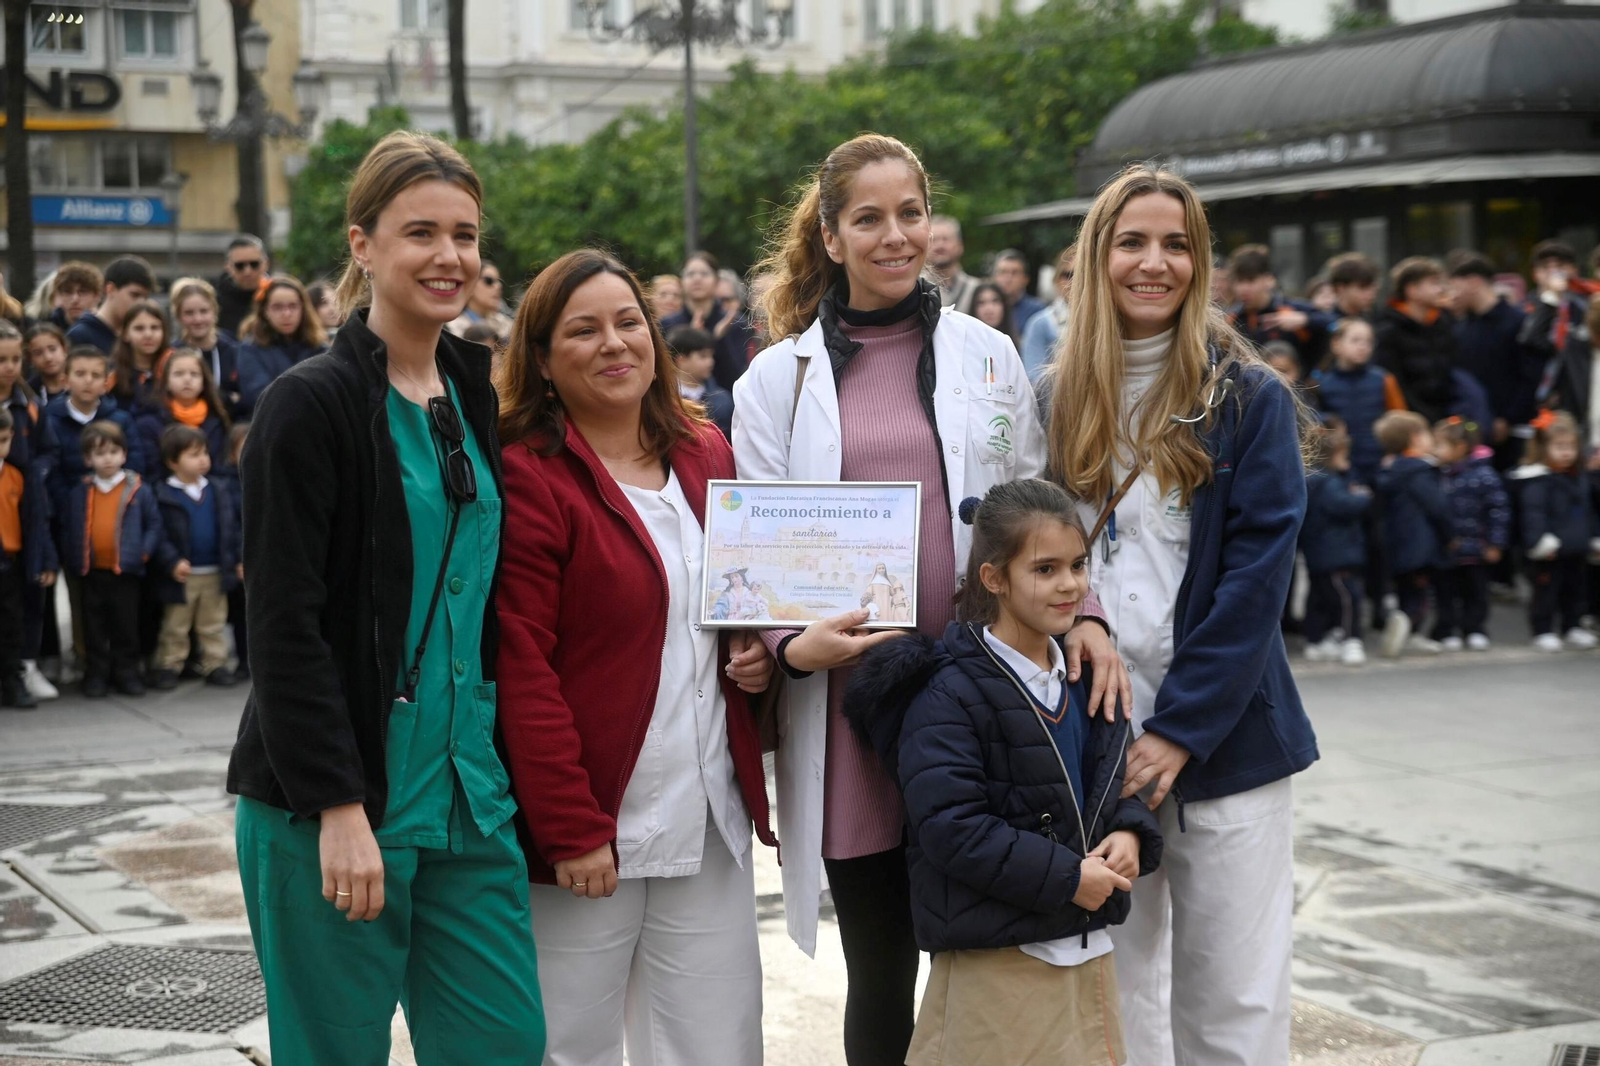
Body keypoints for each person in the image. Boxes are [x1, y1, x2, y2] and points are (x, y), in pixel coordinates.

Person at [734, 133, 1128, 1066]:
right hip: (852, 708)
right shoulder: (775, 383)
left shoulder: (988, 358)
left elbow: (1038, 513)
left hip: (981, 701)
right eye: (868, 218)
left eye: (909, 212)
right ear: (830, 236)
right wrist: (790, 648)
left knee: (990, 950)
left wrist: (1092, 612)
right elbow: (751, 548)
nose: (894, 234)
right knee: (879, 970)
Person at [227, 130, 545, 1064]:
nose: (449, 256)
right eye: (420, 233)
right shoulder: (308, 403)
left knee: (504, 1045)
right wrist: (335, 806)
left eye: (465, 234)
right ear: (363, 246)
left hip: (467, 799)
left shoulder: (472, 390)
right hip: (334, 804)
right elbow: (282, 629)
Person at [1046, 163, 1317, 1066]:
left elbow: (1254, 586)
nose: (1153, 262)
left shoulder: (1248, 400)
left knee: (1234, 999)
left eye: (1176, 244)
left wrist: (1180, 733)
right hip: (1089, 743)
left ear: (1200, 264)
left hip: (1227, 745)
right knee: (1116, 995)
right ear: (1098, 255)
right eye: (1132, 242)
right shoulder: (1052, 399)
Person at [493, 248, 776, 1064]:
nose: (615, 344)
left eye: (628, 323)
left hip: (706, 813)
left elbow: (733, 598)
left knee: (715, 1044)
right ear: (541, 361)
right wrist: (569, 827)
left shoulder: (702, 448)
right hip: (594, 824)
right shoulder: (528, 476)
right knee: (568, 1046)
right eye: (583, 330)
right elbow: (523, 669)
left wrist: (752, 652)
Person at [844, 479, 1163, 1066]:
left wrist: (1129, 832)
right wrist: (1070, 876)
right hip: (995, 960)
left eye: (1077, 565)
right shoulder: (948, 692)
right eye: (1045, 569)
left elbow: (1113, 783)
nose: (1069, 584)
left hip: (1084, 951)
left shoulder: (1086, 679)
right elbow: (952, 828)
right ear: (993, 579)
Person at [59, 421, 162, 698]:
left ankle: (127, 673)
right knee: (94, 628)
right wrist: (74, 557)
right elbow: (70, 527)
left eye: (114, 451)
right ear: (87, 459)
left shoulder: (137, 489)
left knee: (125, 627)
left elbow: (154, 524)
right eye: (100, 453)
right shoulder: (81, 491)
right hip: (93, 572)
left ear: (124, 454)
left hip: (125, 573)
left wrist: (142, 553)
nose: (107, 459)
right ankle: (96, 675)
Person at [149, 424, 239, 689]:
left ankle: (215, 664)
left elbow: (230, 527)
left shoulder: (217, 489)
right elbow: (159, 533)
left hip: (214, 570)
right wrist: (171, 560)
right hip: (183, 573)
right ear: (172, 462)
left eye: (205, 453)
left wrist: (235, 559)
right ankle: (170, 664)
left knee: (212, 623)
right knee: (176, 624)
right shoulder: (163, 493)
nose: (203, 460)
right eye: (194, 454)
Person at [1515, 411, 1597, 651]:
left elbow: (1587, 511)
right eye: (1559, 446)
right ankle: (1542, 629)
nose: (1566, 453)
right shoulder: (1538, 480)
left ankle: (1573, 626)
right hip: (1551, 549)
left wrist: (1593, 537)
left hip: (1577, 545)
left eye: (1571, 447)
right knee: (1547, 592)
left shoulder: (1579, 478)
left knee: (1576, 590)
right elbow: (1533, 514)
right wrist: (1538, 542)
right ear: (1542, 447)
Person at [1374, 411, 1452, 658]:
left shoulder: (1391, 470)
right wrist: (1450, 535)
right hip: (1422, 545)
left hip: (1398, 544)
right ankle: (1408, 629)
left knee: (1406, 590)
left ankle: (1403, 625)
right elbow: (1438, 507)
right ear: (1415, 438)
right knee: (1422, 595)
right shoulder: (1419, 471)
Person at [1431, 417, 1509, 651]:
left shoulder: (1485, 476)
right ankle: (1447, 630)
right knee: (1445, 594)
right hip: (1445, 549)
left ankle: (1474, 629)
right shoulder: (1436, 475)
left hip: (1477, 549)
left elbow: (1499, 511)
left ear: (1460, 447)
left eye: (1440, 445)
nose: (1435, 451)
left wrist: (1496, 543)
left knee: (1476, 593)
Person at [1300, 416, 1371, 666]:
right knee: (1348, 598)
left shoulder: (1308, 481)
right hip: (1337, 554)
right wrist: (1362, 496)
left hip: (1318, 554)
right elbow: (1344, 506)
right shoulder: (1329, 483)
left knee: (1319, 599)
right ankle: (1352, 640)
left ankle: (1317, 640)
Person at [0, 407, 55, 709]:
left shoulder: (17, 477)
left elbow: (36, 523)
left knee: (12, 625)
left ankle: (12, 680)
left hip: (11, 564)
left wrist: (45, 560)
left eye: (4, 440)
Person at [1520, 241, 1594, 444]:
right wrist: (1550, 300)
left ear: (1574, 270)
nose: (1553, 273)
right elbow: (1532, 342)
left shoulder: (1587, 306)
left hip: (1581, 398)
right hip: (1539, 402)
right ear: (1535, 274)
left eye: (1560, 266)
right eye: (1545, 268)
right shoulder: (1525, 308)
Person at [1375, 257, 1460, 423]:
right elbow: (1394, 385)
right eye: (1433, 283)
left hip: (1448, 420)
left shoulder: (1444, 324)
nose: (1441, 289)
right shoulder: (1389, 331)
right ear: (1412, 290)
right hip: (1411, 423)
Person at [1226, 244, 1332, 376]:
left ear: (1269, 279)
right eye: (1239, 281)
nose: (1243, 288)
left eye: (1250, 280)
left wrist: (1306, 320)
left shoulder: (1293, 309)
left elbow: (1336, 323)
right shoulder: (1231, 319)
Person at [659, 251, 754, 393]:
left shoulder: (737, 323)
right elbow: (663, 375)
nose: (697, 279)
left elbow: (738, 378)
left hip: (726, 407)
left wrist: (719, 338)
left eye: (704, 274)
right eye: (690, 274)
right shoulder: (667, 324)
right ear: (682, 282)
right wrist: (687, 342)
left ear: (716, 281)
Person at [133, 349, 232, 483]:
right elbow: (151, 471)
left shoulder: (216, 421)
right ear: (166, 382)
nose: (187, 379)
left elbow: (221, 469)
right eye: (178, 374)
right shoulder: (149, 423)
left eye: (194, 374)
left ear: (204, 383)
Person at [235, 276, 330, 416]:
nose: (286, 314)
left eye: (293, 306)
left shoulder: (320, 348)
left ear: (303, 309)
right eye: (277, 307)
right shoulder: (250, 349)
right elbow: (259, 395)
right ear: (265, 311)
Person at [170, 278, 244, 417]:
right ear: (179, 317)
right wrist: (228, 397)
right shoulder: (172, 354)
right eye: (189, 313)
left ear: (215, 312)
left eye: (204, 311)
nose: (197, 319)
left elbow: (244, 397)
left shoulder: (234, 351)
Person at [67, 257, 155, 355]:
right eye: (135, 295)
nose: (141, 303)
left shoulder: (136, 337)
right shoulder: (80, 336)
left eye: (145, 297)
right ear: (111, 289)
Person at [666, 324, 733, 439]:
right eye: (703, 356)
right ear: (681, 360)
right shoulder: (664, 398)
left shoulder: (722, 399)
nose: (710, 362)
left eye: (711, 356)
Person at [1021, 244, 1074, 386]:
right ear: (1056, 279)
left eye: (1082, 273)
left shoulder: (1110, 317)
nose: (1074, 281)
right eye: (1068, 275)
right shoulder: (1040, 323)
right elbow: (1035, 378)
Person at [109, 301, 172, 410]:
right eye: (139, 328)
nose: (148, 334)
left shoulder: (175, 370)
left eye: (155, 327)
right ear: (125, 334)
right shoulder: (112, 375)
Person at [226, 421, 249, 681]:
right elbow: (230, 528)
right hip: (241, 564)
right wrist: (240, 560)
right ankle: (244, 660)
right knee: (241, 617)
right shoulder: (227, 487)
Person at [446, 258, 513, 343]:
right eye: (489, 281)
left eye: (499, 281)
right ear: (471, 283)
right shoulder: (451, 328)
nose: (498, 286)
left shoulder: (507, 326)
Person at [215, 235, 269, 337]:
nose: (247, 271)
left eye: (254, 264)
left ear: (266, 264)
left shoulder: (277, 297)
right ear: (228, 267)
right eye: (239, 266)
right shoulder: (215, 303)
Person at [929, 215, 979, 314]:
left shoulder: (976, 289)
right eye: (934, 240)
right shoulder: (914, 289)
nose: (940, 245)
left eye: (945, 239)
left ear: (960, 245)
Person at [992, 248, 1046, 338]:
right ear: (994, 277)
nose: (1008, 278)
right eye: (1003, 272)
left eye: (1015, 273)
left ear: (1026, 279)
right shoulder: (982, 307)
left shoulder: (1037, 311)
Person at [44, 262, 103, 333]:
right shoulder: (46, 331)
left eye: (83, 292)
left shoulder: (107, 330)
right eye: (68, 292)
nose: (75, 299)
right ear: (59, 295)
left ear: (97, 297)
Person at [1326, 252, 1380, 322]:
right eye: (1362, 287)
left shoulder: (1375, 321)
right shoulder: (1324, 324)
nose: (1371, 293)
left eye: (1373, 287)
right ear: (1341, 288)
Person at [25, 324, 71, 405]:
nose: (48, 358)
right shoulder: (27, 392)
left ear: (64, 350)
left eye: (52, 349)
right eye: (38, 353)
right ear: (30, 359)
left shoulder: (80, 384)